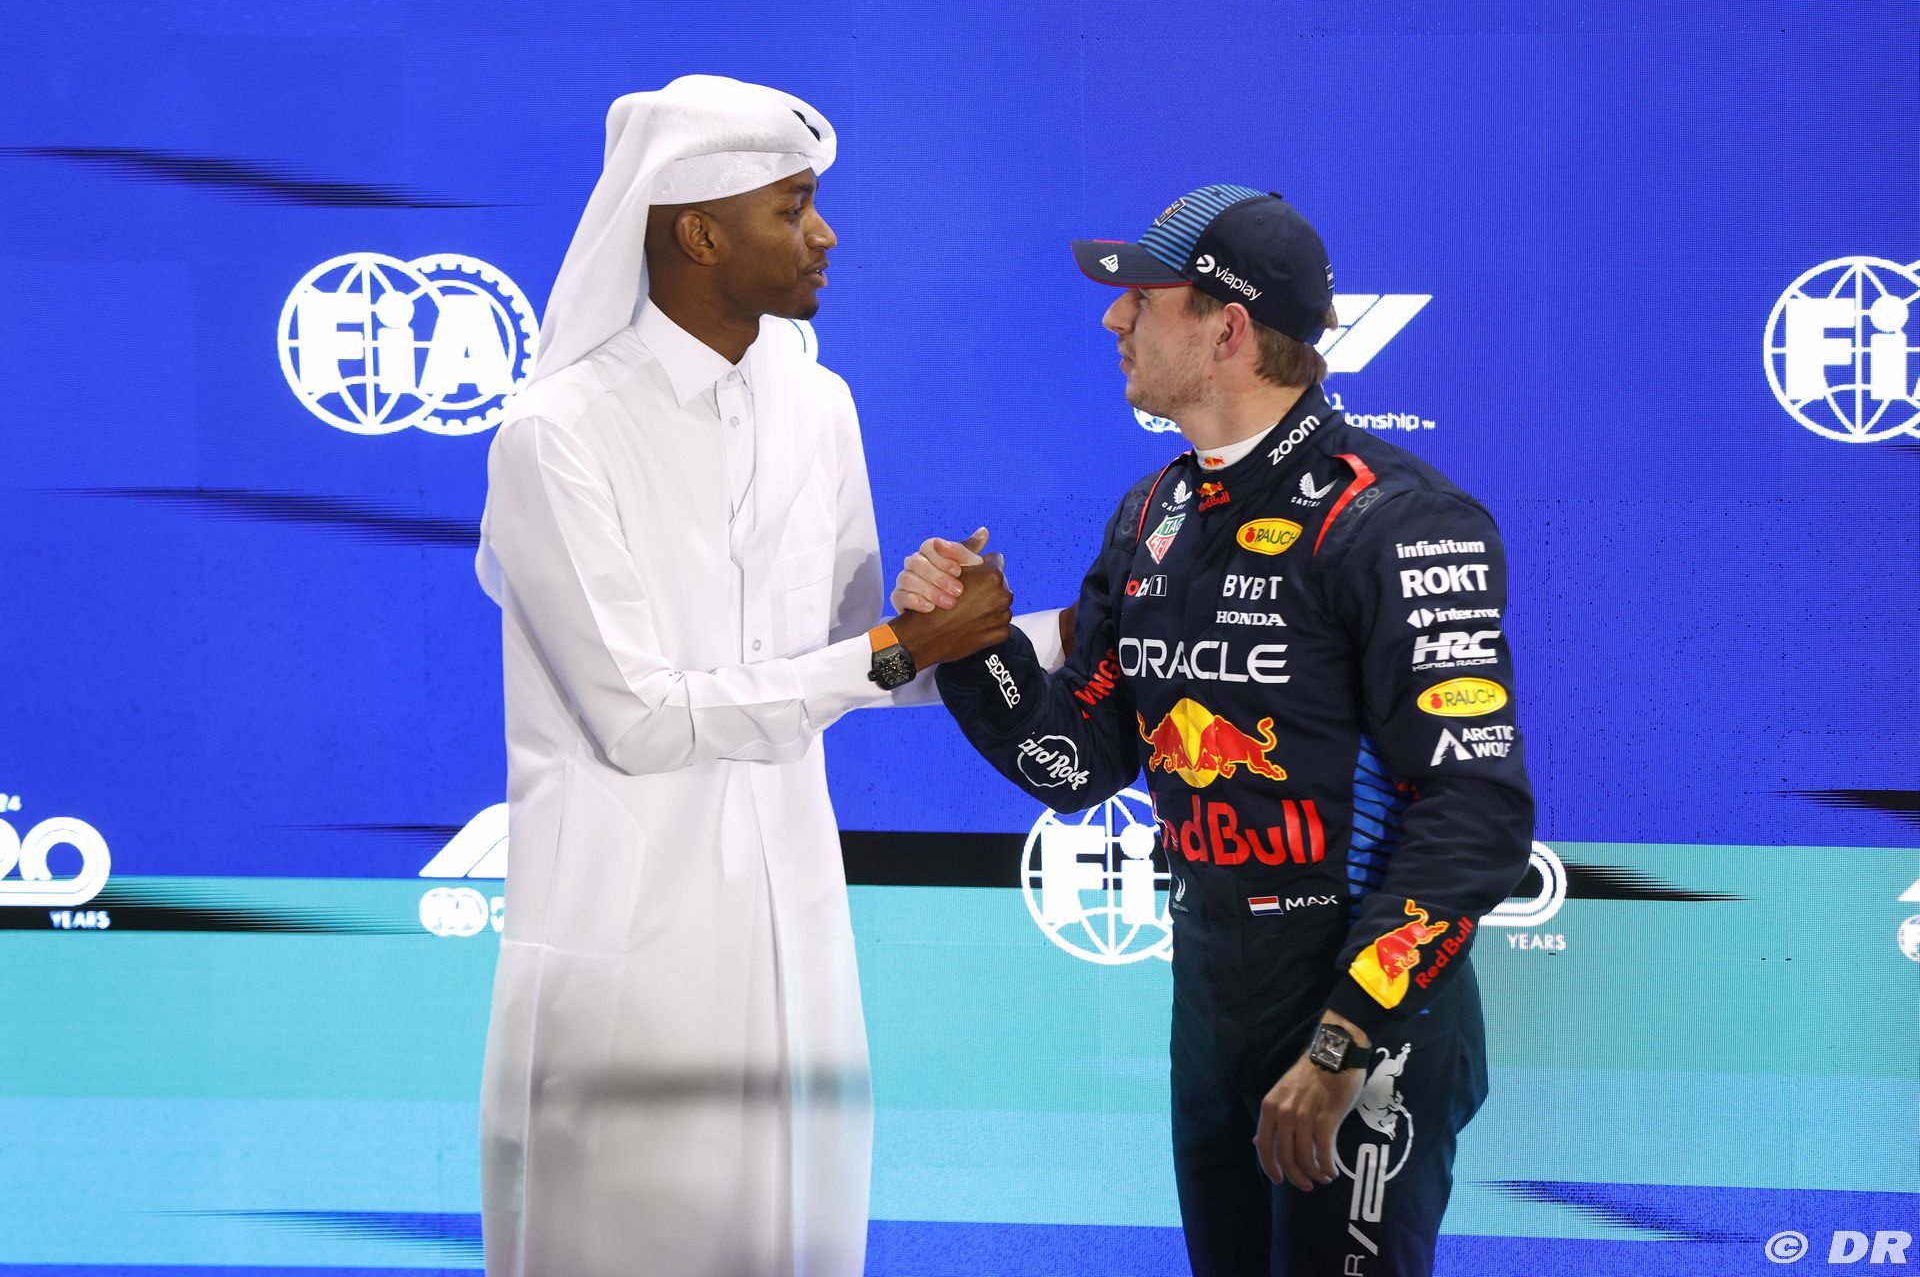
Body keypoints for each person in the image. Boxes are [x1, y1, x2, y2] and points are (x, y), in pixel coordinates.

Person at [473, 75, 1062, 1277]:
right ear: (699, 234)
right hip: (630, 950)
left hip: (799, 933)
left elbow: (853, 661)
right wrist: (897, 647)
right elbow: (640, 719)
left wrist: (1029, 630)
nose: (825, 234)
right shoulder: (557, 433)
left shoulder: (819, 401)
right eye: (793, 207)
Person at [898, 185, 1534, 1275]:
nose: (1114, 317)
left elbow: (1474, 814)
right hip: (1213, 994)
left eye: (1142, 297)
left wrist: (1344, 1037)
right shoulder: (1154, 513)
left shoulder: (1399, 519)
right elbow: (1077, 761)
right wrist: (975, 646)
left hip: (1359, 1009)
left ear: (1228, 328)